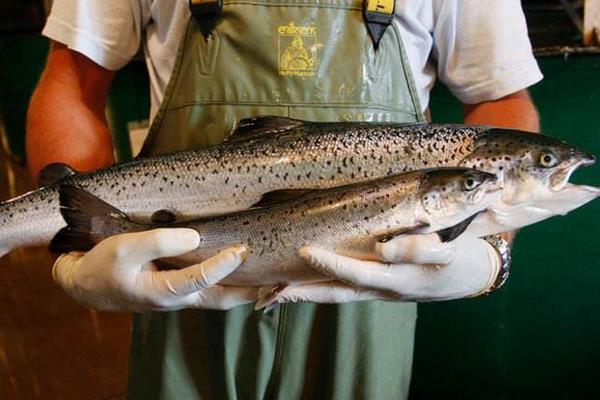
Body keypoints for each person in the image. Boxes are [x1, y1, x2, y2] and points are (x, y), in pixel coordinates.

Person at [26, 1, 541, 398]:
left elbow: (499, 98)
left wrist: (490, 250)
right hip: (179, 288)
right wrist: (82, 246)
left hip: (372, 292)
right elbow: (73, 80)